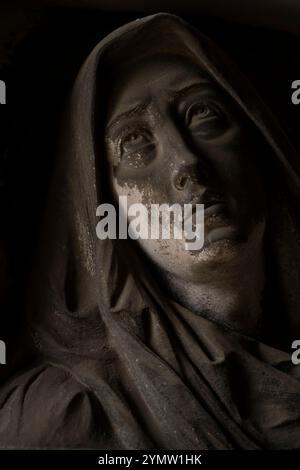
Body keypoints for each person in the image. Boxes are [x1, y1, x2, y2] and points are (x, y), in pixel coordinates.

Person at [0, 12, 300, 449]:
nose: (187, 163)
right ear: (105, 201)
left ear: (259, 147)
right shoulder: (62, 417)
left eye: (204, 116)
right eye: (135, 143)